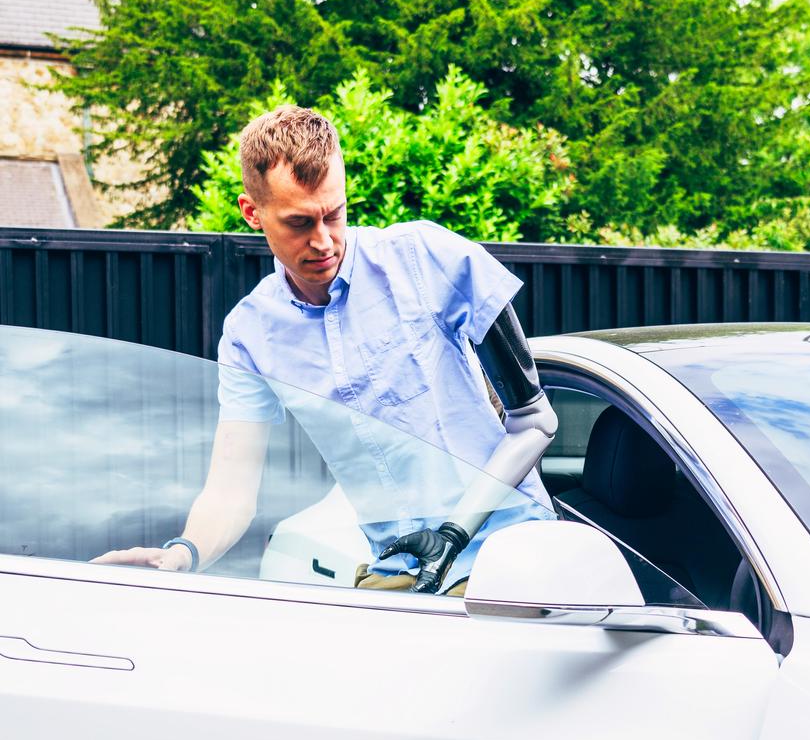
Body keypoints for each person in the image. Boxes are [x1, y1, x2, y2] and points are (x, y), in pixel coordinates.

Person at [95, 105, 558, 592]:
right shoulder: (250, 335)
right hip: (402, 573)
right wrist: (182, 554)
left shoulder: (425, 257)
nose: (323, 242)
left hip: (509, 548)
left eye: (333, 214)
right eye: (299, 223)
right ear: (253, 212)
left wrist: (452, 533)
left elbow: (535, 421)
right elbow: (231, 492)